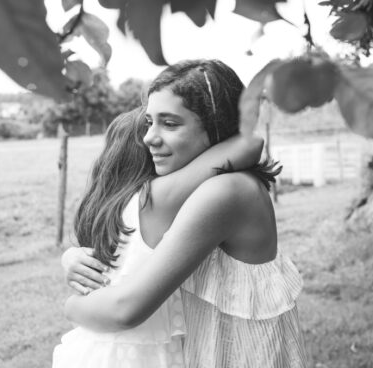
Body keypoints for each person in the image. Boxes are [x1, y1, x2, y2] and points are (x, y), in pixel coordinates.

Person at [62, 59, 307, 367]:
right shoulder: (209, 187)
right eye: (149, 122)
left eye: (170, 123)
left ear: (217, 126)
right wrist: (72, 257)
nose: (148, 137)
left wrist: (71, 306)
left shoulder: (227, 190)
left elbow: (126, 308)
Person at [53, 104, 264, 367]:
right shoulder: (157, 198)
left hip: (92, 348)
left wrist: (69, 262)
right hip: (140, 356)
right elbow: (250, 143)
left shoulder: (106, 208)